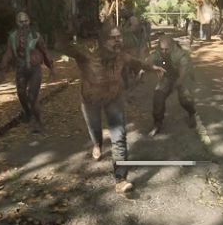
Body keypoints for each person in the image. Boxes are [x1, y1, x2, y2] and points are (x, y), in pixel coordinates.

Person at [56, 23, 165, 194]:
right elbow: (61, 46)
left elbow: (136, 62)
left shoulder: (121, 57)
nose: (118, 41)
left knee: (119, 137)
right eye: (112, 38)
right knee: (94, 128)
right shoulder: (86, 55)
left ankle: (120, 179)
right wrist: (68, 31)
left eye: (119, 37)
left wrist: (152, 67)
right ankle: (97, 144)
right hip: (91, 100)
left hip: (114, 98)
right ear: (103, 41)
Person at [1, 11, 54, 133]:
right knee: (21, 94)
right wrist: (3, 67)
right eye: (21, 22)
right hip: (21, 69)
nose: (24, 24)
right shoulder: (12, 37)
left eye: (26, 21)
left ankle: (38, 122)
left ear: (29, 21)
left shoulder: (36, 36)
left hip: (34, 69)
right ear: (17, 22)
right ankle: (29, 113)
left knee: (32, 97)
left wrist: (51, 67)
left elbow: (44, 51)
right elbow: (9, 52)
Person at [148, 35, 199, 136]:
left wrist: (176, 86)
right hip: (168, 76)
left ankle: (191, 112)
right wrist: (154, 67)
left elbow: (182, 74)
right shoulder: (159, 52)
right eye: (162, 49)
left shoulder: (181, 55)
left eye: (166, 49)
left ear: (172, 47)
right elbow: (149, 61)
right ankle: (157, 124)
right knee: (158, 96)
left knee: (185, 99)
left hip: (182, 77)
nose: (164, 51)